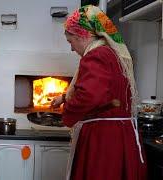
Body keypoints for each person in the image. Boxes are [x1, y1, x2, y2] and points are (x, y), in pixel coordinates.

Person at [51, 5, 147, 180]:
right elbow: (104, 92)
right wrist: (65, 98)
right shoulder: (111, 54)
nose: (72, 49)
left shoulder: (96, 55)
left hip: (104, 140)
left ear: (83, 35)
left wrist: (67, 114)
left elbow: (89, 95)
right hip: (120, 134)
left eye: (70, 41)